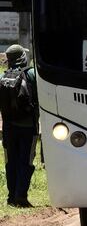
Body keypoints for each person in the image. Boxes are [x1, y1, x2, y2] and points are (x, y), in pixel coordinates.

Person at [1, 45, 38, 208]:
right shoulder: (31, 74)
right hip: (28, 127)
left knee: (11, 161)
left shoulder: (2, 76)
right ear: (22, 57)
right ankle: (21, 196)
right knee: (26, 161)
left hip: (8, 127)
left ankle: (11, 197)